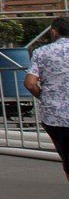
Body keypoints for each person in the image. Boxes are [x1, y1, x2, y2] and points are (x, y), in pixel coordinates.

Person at [25, 16, 69, 184]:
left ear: (54, 32)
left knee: (67, 158)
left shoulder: (41, 52)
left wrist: (45, 96)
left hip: (54, 115)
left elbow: (30, 83)